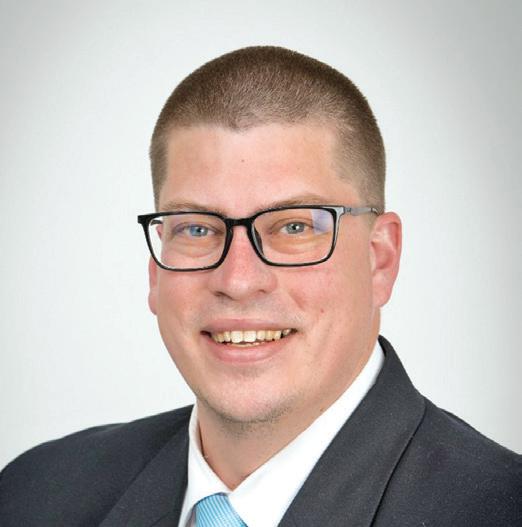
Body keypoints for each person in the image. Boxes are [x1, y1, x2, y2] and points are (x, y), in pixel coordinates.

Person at [0, 46, 520, 527]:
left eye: (294, 226)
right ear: (155, 271)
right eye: (197, 229)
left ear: (379, 259)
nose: (239, 280)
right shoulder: (34, 495)